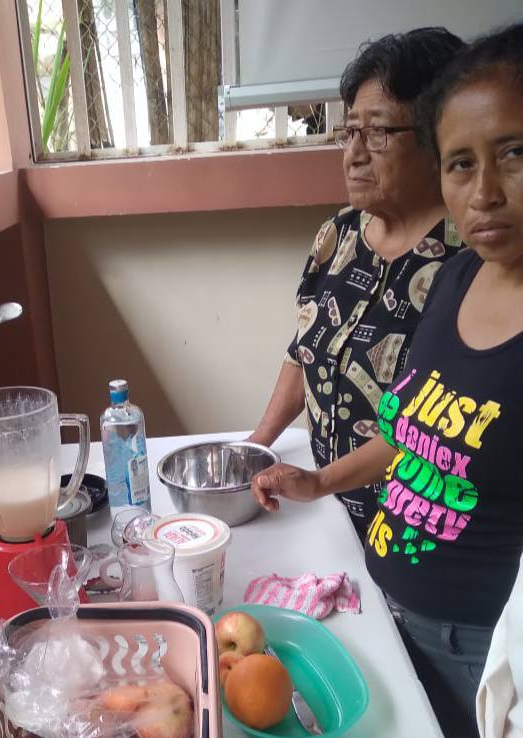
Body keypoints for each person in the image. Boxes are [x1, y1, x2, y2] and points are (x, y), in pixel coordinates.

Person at [253, 22, 523, 738]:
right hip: (382, 583)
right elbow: (410, 430)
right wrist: (314, 479)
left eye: (514, 153)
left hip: (477, 637)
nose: (485, 191)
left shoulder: (448, 260)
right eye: (463, 162)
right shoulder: (462, 281)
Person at [249, 27, 466, 540]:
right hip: (327, 514)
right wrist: (255, 448)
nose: (354, 154)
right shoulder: (339, 234)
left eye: (378, 133)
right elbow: (303, 351)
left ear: (438, 137)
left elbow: (430, 429)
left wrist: (320, 482)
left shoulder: (468, 263)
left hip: (413, 534)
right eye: (349, 133)